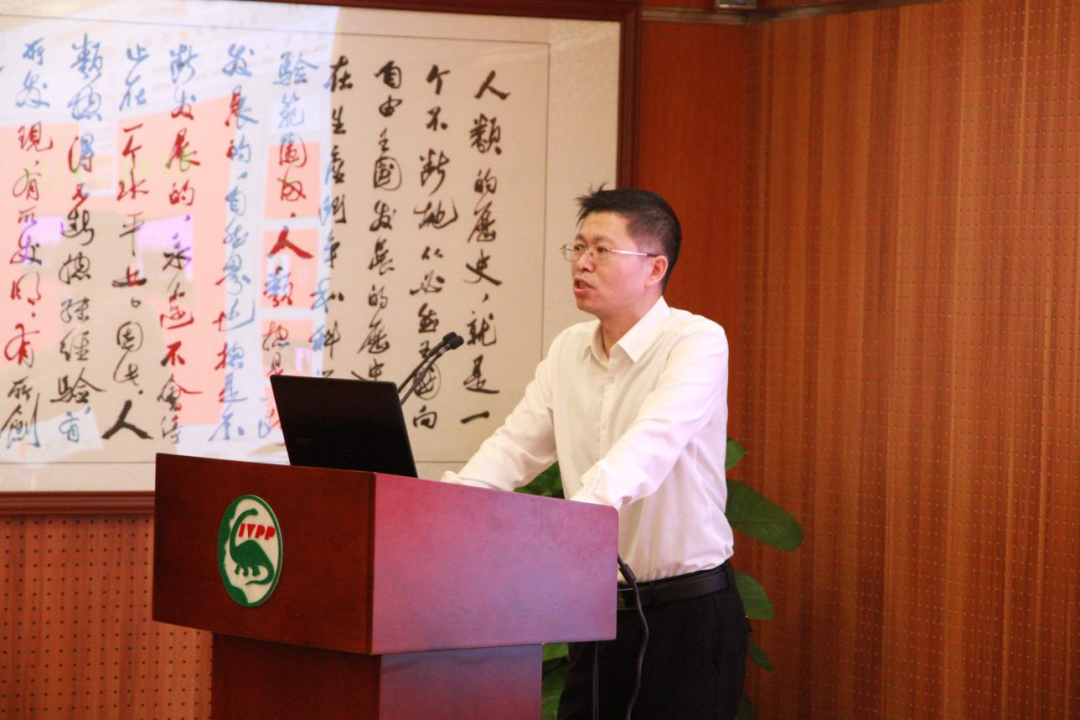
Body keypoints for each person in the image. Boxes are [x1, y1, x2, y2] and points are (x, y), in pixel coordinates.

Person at [441, 188, 747, 719]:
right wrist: (440, 511)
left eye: (601, 250)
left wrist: (567, 530)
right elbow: (514, 447)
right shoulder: (568, 349)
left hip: (686, 616)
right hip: (596, 613)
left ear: (654, 268)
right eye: (578, 247)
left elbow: (649, 446)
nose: (581, 263)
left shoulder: (695, 341)